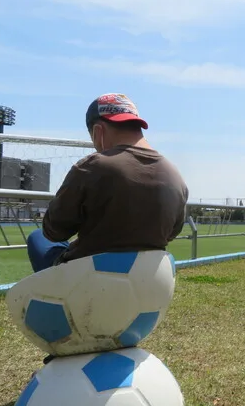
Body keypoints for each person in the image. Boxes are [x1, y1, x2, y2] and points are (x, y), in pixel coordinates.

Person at [26, 93, 189, 272]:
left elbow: (54, 231)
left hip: (89, 276)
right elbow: (171, 233)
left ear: (97, 131)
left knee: (38, 238)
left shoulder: (92, 166)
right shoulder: (175, 176)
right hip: (150, 278)